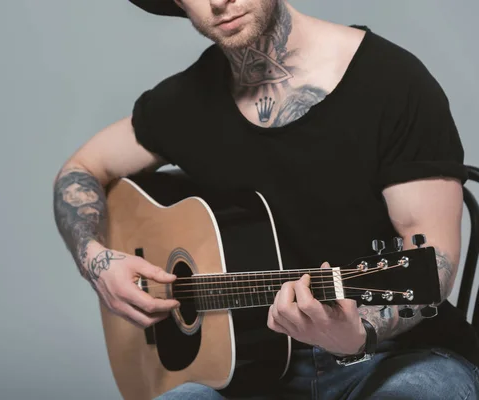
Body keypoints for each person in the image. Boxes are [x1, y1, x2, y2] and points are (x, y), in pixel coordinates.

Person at [53, 0, 479, 398]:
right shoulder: (185, 102)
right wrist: (97, 263)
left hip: (395, 357)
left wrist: (360, 332)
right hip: (249, 372)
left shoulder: (392, 82)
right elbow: (80, 171)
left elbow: (431, 262)